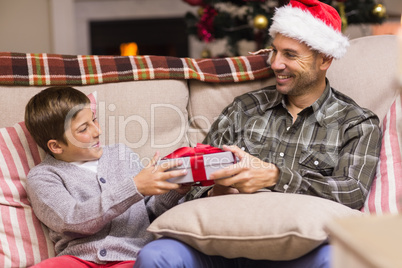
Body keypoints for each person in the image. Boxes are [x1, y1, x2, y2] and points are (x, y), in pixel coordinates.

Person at [134, 0, 381, 267]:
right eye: (274, 51)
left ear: (324, 59)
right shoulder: (244, 109)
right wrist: (214, 192)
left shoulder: (357, 122)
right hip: (220, 247)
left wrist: (274, 177)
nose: (275, 64)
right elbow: (192, 185)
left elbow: (352, 190)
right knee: (155, 256)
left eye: (290, 54)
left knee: (338, 260)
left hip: (302, 251)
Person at [24, 87, 191, 268]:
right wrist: (134, 187)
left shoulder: (121, 154)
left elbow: (150, 212)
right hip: (78, 260)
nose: (98, 131)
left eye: (94, 120)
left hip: (131, 257)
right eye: (83, 129)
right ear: (56, 146)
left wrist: (171, 191)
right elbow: (71, 220)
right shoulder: (42, 176)